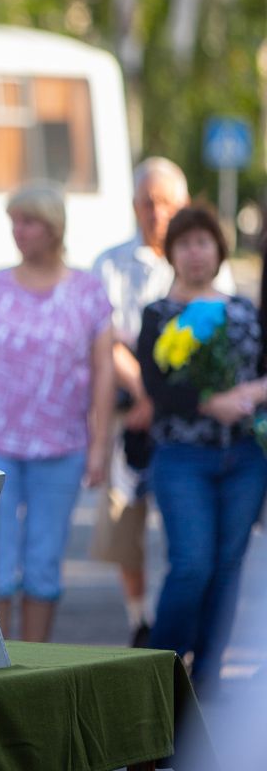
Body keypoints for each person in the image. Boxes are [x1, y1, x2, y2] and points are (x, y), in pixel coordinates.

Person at [0, 182, 114, 643]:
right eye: (14, 222)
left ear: (54, 228)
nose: (19, 231)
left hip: (61, 444)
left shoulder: (88, 291)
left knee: (44, 559)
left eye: (29, 222)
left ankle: (35, 661)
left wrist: (100, 444)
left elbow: (104, 370)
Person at [89, 157, 236, 647]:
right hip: (127, 410)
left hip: (185, 418)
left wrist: (161, 391)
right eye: (147, 203)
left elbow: (221, 343)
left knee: (186, 533)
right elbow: (105, 340)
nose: (156, 213)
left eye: (166, 202)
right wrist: (145, 388)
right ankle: (139, 619)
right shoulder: (110, 263)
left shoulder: (208, 262)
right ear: (135, 206)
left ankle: (183, 624)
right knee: (124, 527)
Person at [136, 206, 267, 699]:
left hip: (245, 461)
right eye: (185, 243)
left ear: (219, 250)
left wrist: (252, 393)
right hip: (183, 459)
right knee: (192, 563)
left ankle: (208, 682)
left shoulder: (244, 309)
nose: (195, 253)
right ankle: (158, 677)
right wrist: (210, 402)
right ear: (170, 252)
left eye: (204, 242)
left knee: (228, 566)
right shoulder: (158, 314)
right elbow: (156, 386)